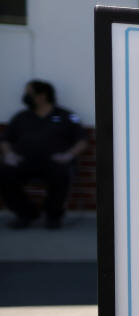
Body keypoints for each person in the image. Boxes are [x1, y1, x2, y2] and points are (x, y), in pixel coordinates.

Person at [1, 80, 88, 229]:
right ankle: (26, 213)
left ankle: (53, 216)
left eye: (29, 93)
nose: (25, 96)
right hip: (24, 161)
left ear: (42, 95)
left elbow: (82, 140)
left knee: (62, 173)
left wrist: (69, 155)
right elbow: (5, 139)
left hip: (55, 161)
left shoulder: (67, 116)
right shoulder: (21, 116)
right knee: (5, 173)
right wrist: (9, 154)